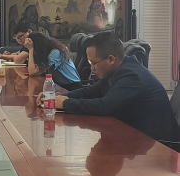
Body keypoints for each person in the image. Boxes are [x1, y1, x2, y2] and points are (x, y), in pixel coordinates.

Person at [39, 31, 180, 145]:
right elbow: (92, 91)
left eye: (94, 63)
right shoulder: (119, 69)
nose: (92, 68)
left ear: (111, 59)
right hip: (137, 135)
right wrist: (57, 98)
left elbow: (105, 106)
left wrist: (65, 103)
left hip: (159, 144)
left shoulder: (132, 76)